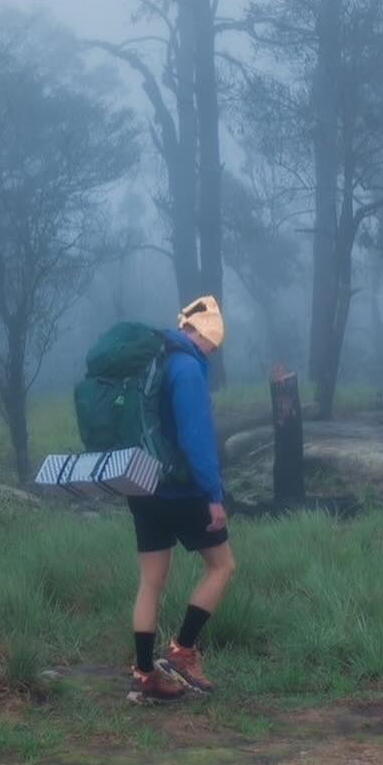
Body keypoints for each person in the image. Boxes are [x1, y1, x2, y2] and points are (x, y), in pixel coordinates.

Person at [127, 294, 236, 703]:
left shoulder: (153, 363)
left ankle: (143, 674)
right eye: (212, 343)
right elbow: (195, 439)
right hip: (180, 488)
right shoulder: (187, 367)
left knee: (151, 580)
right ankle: (181, 653)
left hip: (142, 484)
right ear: (199, 334)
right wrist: (213, 495)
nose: (211, 351)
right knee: (222, 566)